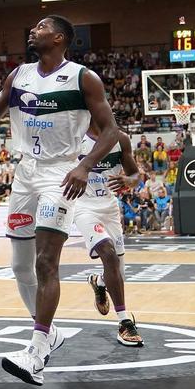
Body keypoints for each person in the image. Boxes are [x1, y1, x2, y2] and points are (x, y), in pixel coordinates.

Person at [0, 15, 119, 386]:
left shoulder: (84, 77)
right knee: (20, 267)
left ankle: (37, 351)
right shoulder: (18, 75)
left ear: (58, 38)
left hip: (61, 174)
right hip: (25, 175)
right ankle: (50, 334)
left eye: (39, 27)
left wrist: (85, 166)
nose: (32, 30)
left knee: (45, 261)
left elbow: (112, 131)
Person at [77, 127, 144, 347]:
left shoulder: (121, 138)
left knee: (119, 271)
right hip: (83, 206)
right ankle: (125, 322)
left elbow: (135, 174)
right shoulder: (75, 136)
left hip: (109, 208)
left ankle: (99, 282)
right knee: (108, 254)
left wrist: (129, 180)